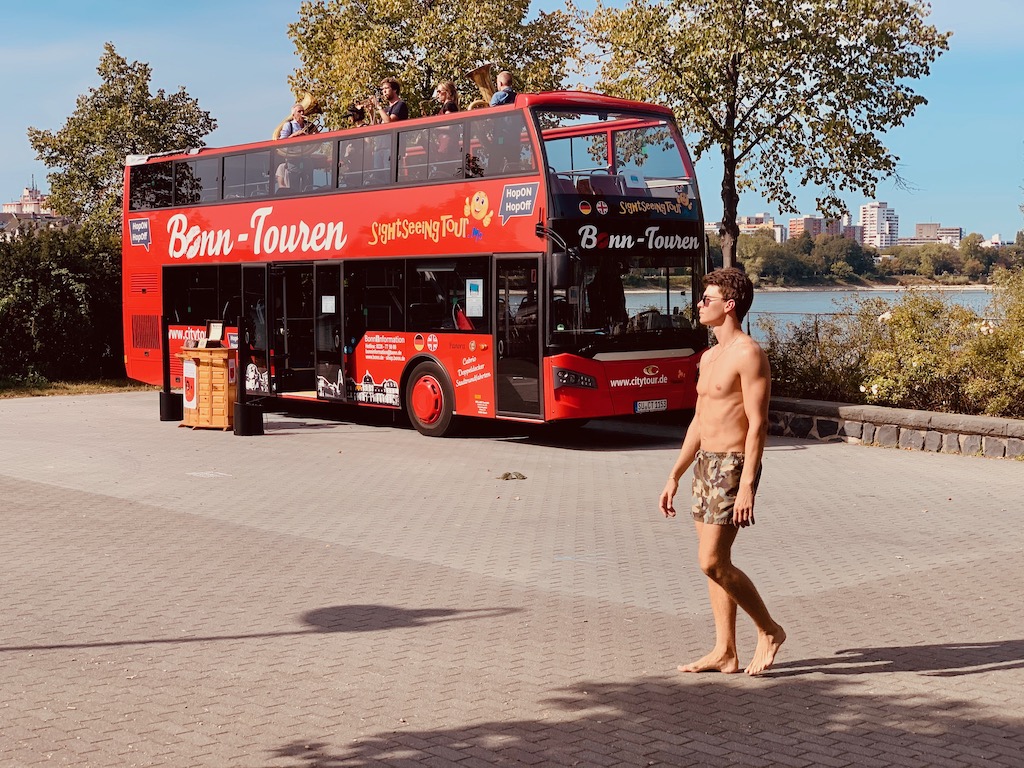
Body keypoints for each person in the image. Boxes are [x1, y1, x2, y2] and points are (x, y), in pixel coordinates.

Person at [659, 267, 785, 676]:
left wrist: (747, 484)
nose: (698, 304)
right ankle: (725, 651)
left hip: (732, 465)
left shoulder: (749, 354)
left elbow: (758, 424)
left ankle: (769, 630)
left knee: (711, 561)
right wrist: (675, 474)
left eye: (706, 299)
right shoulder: (708, 357)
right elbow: (699, 420)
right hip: (705, 462)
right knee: (716, 564)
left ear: (729, 306)